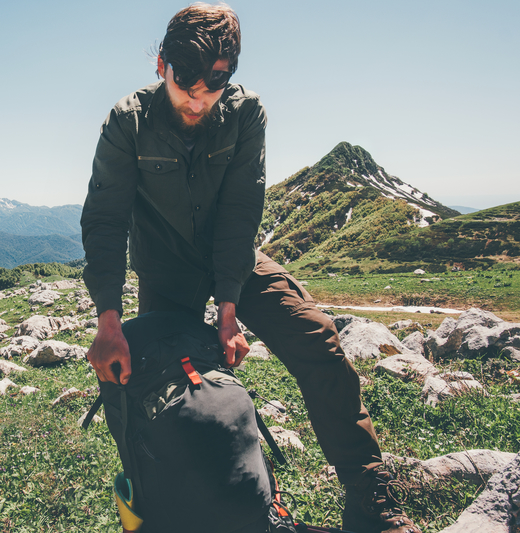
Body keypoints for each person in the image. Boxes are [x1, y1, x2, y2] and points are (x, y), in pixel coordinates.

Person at [80, 3, 420, 533]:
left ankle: (371, 498)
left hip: (233, 257)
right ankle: (186, 509)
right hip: (164, 268)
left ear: (229, 73)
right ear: (161, 63)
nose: (197, 97)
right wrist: (108, 322)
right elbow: (104, 221)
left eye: (214, 83)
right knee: (169, 388)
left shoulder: (245, 113)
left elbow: (241, 213)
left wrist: (230, 308)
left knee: (318, 337)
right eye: (184, 80)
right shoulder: (129, 120)